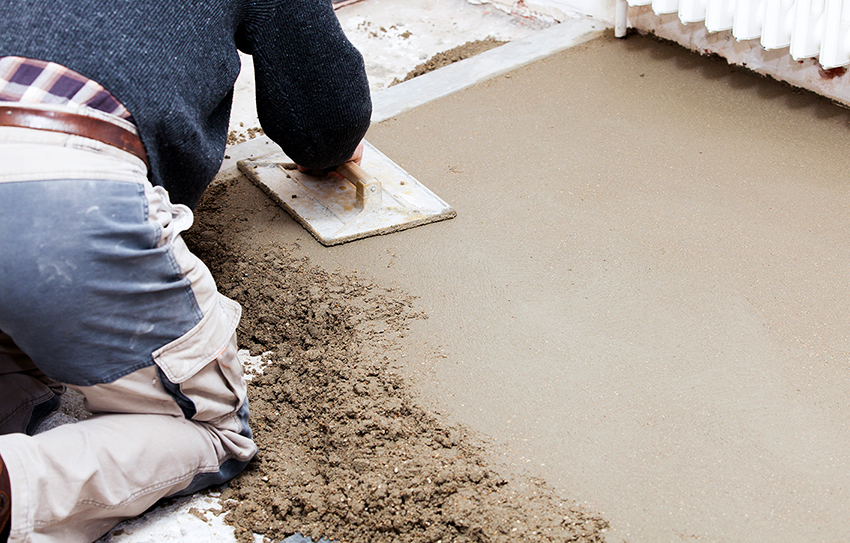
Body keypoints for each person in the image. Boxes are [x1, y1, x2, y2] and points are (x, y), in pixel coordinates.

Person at [0, 0, 372, 541]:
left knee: (19, 367)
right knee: (215, 431)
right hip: (62, 188)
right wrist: (330, 148)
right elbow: (325, 118)